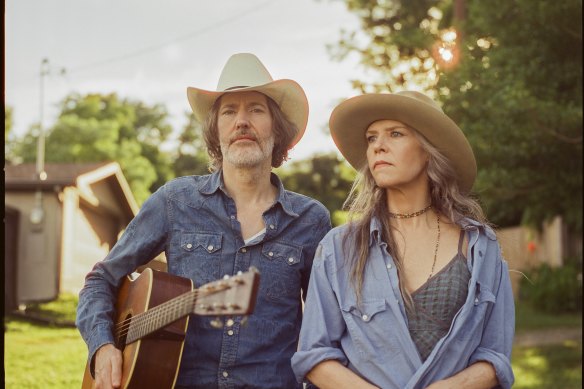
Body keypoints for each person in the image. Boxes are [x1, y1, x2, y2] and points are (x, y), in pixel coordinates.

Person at [76, 53, 331, 389]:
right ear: (216, 130)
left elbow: (325, 330)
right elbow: (101, 279)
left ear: (277, 128)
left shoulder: (311, 220)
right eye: (229, 111)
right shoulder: (175, 201)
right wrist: (104, 345)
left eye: (256, 109)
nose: (242, 121)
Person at [291, 91, 515, 389]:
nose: (378, 147)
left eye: (395, 134)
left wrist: (452, 386)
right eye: (371, 138)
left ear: (428, 150)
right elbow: (314, 356)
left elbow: (495, 355)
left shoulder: (479, 246)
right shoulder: (338, 248)